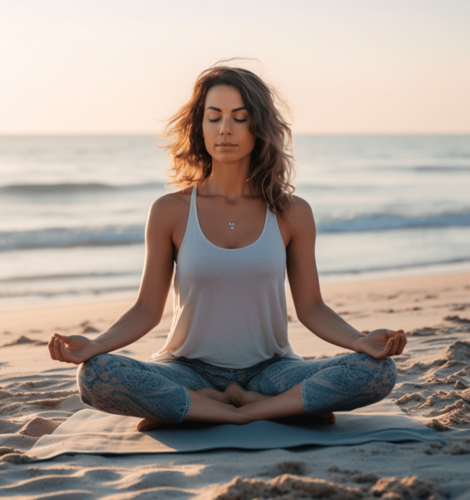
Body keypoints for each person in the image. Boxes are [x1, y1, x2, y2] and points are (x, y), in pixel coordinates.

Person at [48, 64, 407, 432]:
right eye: (214, 117)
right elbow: (146, 308)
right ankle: (251, 407)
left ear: (259, 127)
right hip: (186, 369)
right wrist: (96, 345)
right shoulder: (169, 211)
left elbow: (312, 307)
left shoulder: (292, 213)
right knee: (96, 375)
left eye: (239, 117)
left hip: (272, 370)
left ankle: (235, 409)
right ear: (199, 126)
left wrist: (360, 341)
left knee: (376, 371)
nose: (225, 129)